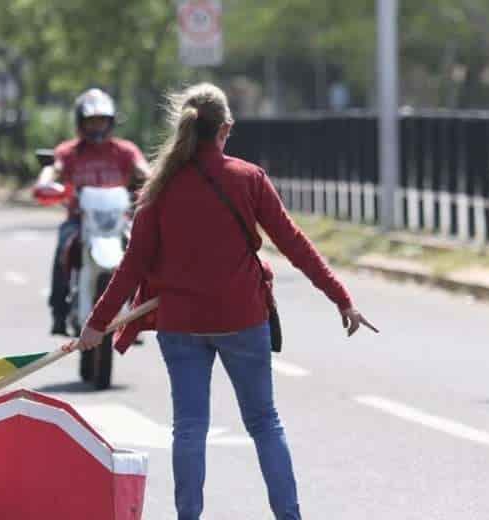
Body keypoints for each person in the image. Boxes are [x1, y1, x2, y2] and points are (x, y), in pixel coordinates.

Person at [67, 83, 376, 520]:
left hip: (180, 324)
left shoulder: (159, 188)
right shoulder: (249, 179)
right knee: (264, 423)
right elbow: (294, 244)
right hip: (243, 320)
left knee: (189, 428)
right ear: (225, 128)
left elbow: (131, 267)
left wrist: (96, 325)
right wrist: (341, 298)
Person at [37, 88, 150, 335]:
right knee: (64, 248)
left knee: (142, 253)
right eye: (91, 121)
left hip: (118, 221)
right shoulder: (68, 152)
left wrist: (154, 183)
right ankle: (59, 312)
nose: (97, 126)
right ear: (80, 122)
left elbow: (144, 171)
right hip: (80, 221)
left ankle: (138, 313)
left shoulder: (125, 151)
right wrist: (46, 181)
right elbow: (54, 169)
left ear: (111, 122)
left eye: (101, 120)